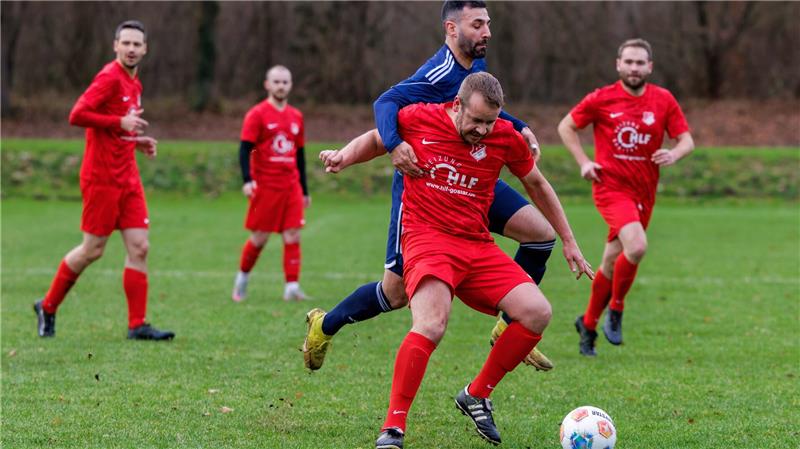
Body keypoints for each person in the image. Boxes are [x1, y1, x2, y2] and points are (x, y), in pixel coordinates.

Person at [304, 0, 556, 373]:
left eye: (488, 24)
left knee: (541, 235)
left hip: (468, 184)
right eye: (477, 25)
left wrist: (519, 126)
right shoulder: (437, 73)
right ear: (452, 30)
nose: (486, 32)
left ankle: (508, 326)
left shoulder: (476, 63)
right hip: (424, 191)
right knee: (396, 293)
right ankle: (325, 325)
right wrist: (394, 145)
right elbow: (386, 102)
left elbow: (484, 108)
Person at [371, 73, 593, 449]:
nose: (483, 130)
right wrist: (343, 158)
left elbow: (537, 184)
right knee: (432, 323)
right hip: (428, 239)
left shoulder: (504, 136)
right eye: (476, 121)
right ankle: (393, 428)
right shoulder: (421, 118)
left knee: (537, 312)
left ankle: (476, 394)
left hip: (475, 245)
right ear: (457, 106)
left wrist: (569, 240)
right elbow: (376, 137)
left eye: (490, 122)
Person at [33, 20, 174, 340]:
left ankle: (137, 325)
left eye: (137, 44)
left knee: (140, 247)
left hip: (128, 177)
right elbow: (77, 114)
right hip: (101, 177)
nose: (131, 49)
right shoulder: (109, 77)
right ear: (115, 46)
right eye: (126, 43)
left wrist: (136, 140)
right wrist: (119, 121)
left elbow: (117, 128)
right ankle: (49, 305)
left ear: (145, 49)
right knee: (92, 249)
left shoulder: (134, 83)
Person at [557, 38, 694, 356]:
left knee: (609, 262)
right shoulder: (602, 99)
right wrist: (584, 162)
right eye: (628, 62)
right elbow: (566, 126)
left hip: (644, 193)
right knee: (638, 245)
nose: (634, 68)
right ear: (619, 65)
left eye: (640, 62)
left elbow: (687, 140)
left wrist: (675, 154)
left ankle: (588, 325)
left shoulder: (663, 100)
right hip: (610, 188)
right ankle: (616, 310)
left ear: (650, 67)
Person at [231, 65, 310, 302]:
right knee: (260, 238)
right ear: (267, 84)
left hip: (291, 185)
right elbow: (245, 150)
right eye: (276, 82)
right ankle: (242, 279)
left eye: (285, 82)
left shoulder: (296, 116)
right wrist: (247, 180)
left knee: (293, 234)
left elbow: (300, 154)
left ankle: (292, 287)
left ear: (290, 85)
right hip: (265, 185)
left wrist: (305, 190)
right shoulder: (256, 114)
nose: (281, 86)